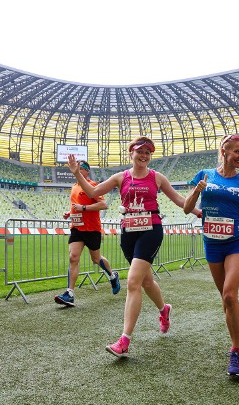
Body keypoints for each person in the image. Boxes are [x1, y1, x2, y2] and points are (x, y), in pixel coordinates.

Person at [68, 137, 201, 358]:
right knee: (146, 281)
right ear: (131, 153)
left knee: (132, 282)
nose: (144, 155)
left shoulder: (157, 178)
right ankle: (164, 309)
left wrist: (198, 212)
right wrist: (77, 174)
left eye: (148, 153)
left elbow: (179, 200)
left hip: (151, 229)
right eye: (140, 151)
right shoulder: (121, 177)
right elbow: (93, 194)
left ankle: (124, 340)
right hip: (129, 232)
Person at [184, 133, 239, 377]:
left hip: (235, 243)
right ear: (224, 152)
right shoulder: (205, 174)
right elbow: (188, 208)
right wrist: (198, 190)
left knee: (230, 294)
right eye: (237, 151)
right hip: (212, 244)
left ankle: (236, 352)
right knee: (225, 299)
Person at [55, 160, 120, 306]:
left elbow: (103, 205)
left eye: (81, 168)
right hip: (77, 228)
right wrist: (69, 213)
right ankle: (69, 293)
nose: (77, 169)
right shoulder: (74, 187)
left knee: (96, 259)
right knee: (73, 257)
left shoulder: (93, 185)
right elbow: (75, 206)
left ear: (86, 171)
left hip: (92, 229)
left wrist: (83, 208)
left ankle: (112, 275)